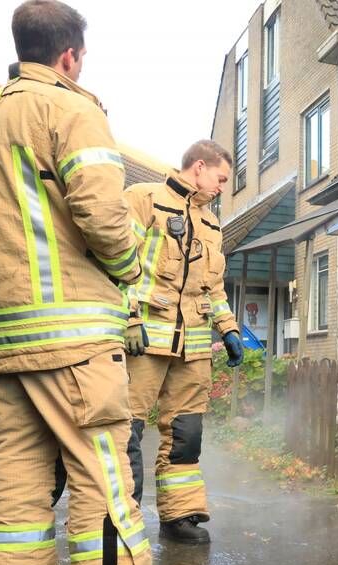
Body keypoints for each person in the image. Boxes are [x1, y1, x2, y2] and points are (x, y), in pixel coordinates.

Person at [0, 0, 177, 565]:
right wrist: (134, 267)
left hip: (3, 336)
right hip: (75, 334)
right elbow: (104, 216)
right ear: (70, 55)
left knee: (18, 469)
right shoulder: (74, 108)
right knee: (99, 466)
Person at [123, 140, 242, 544]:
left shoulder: (212, 225)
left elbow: (215, 288)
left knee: (186, 432)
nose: (223, 187)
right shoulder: (145, 200)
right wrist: (128, 318)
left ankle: (180, 515)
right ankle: (124, 518)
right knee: (127, 430)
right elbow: (116, 263)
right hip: (145, 341)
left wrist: (228, 329)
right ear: (200, 167)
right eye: (221, 178)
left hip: (192, 346)